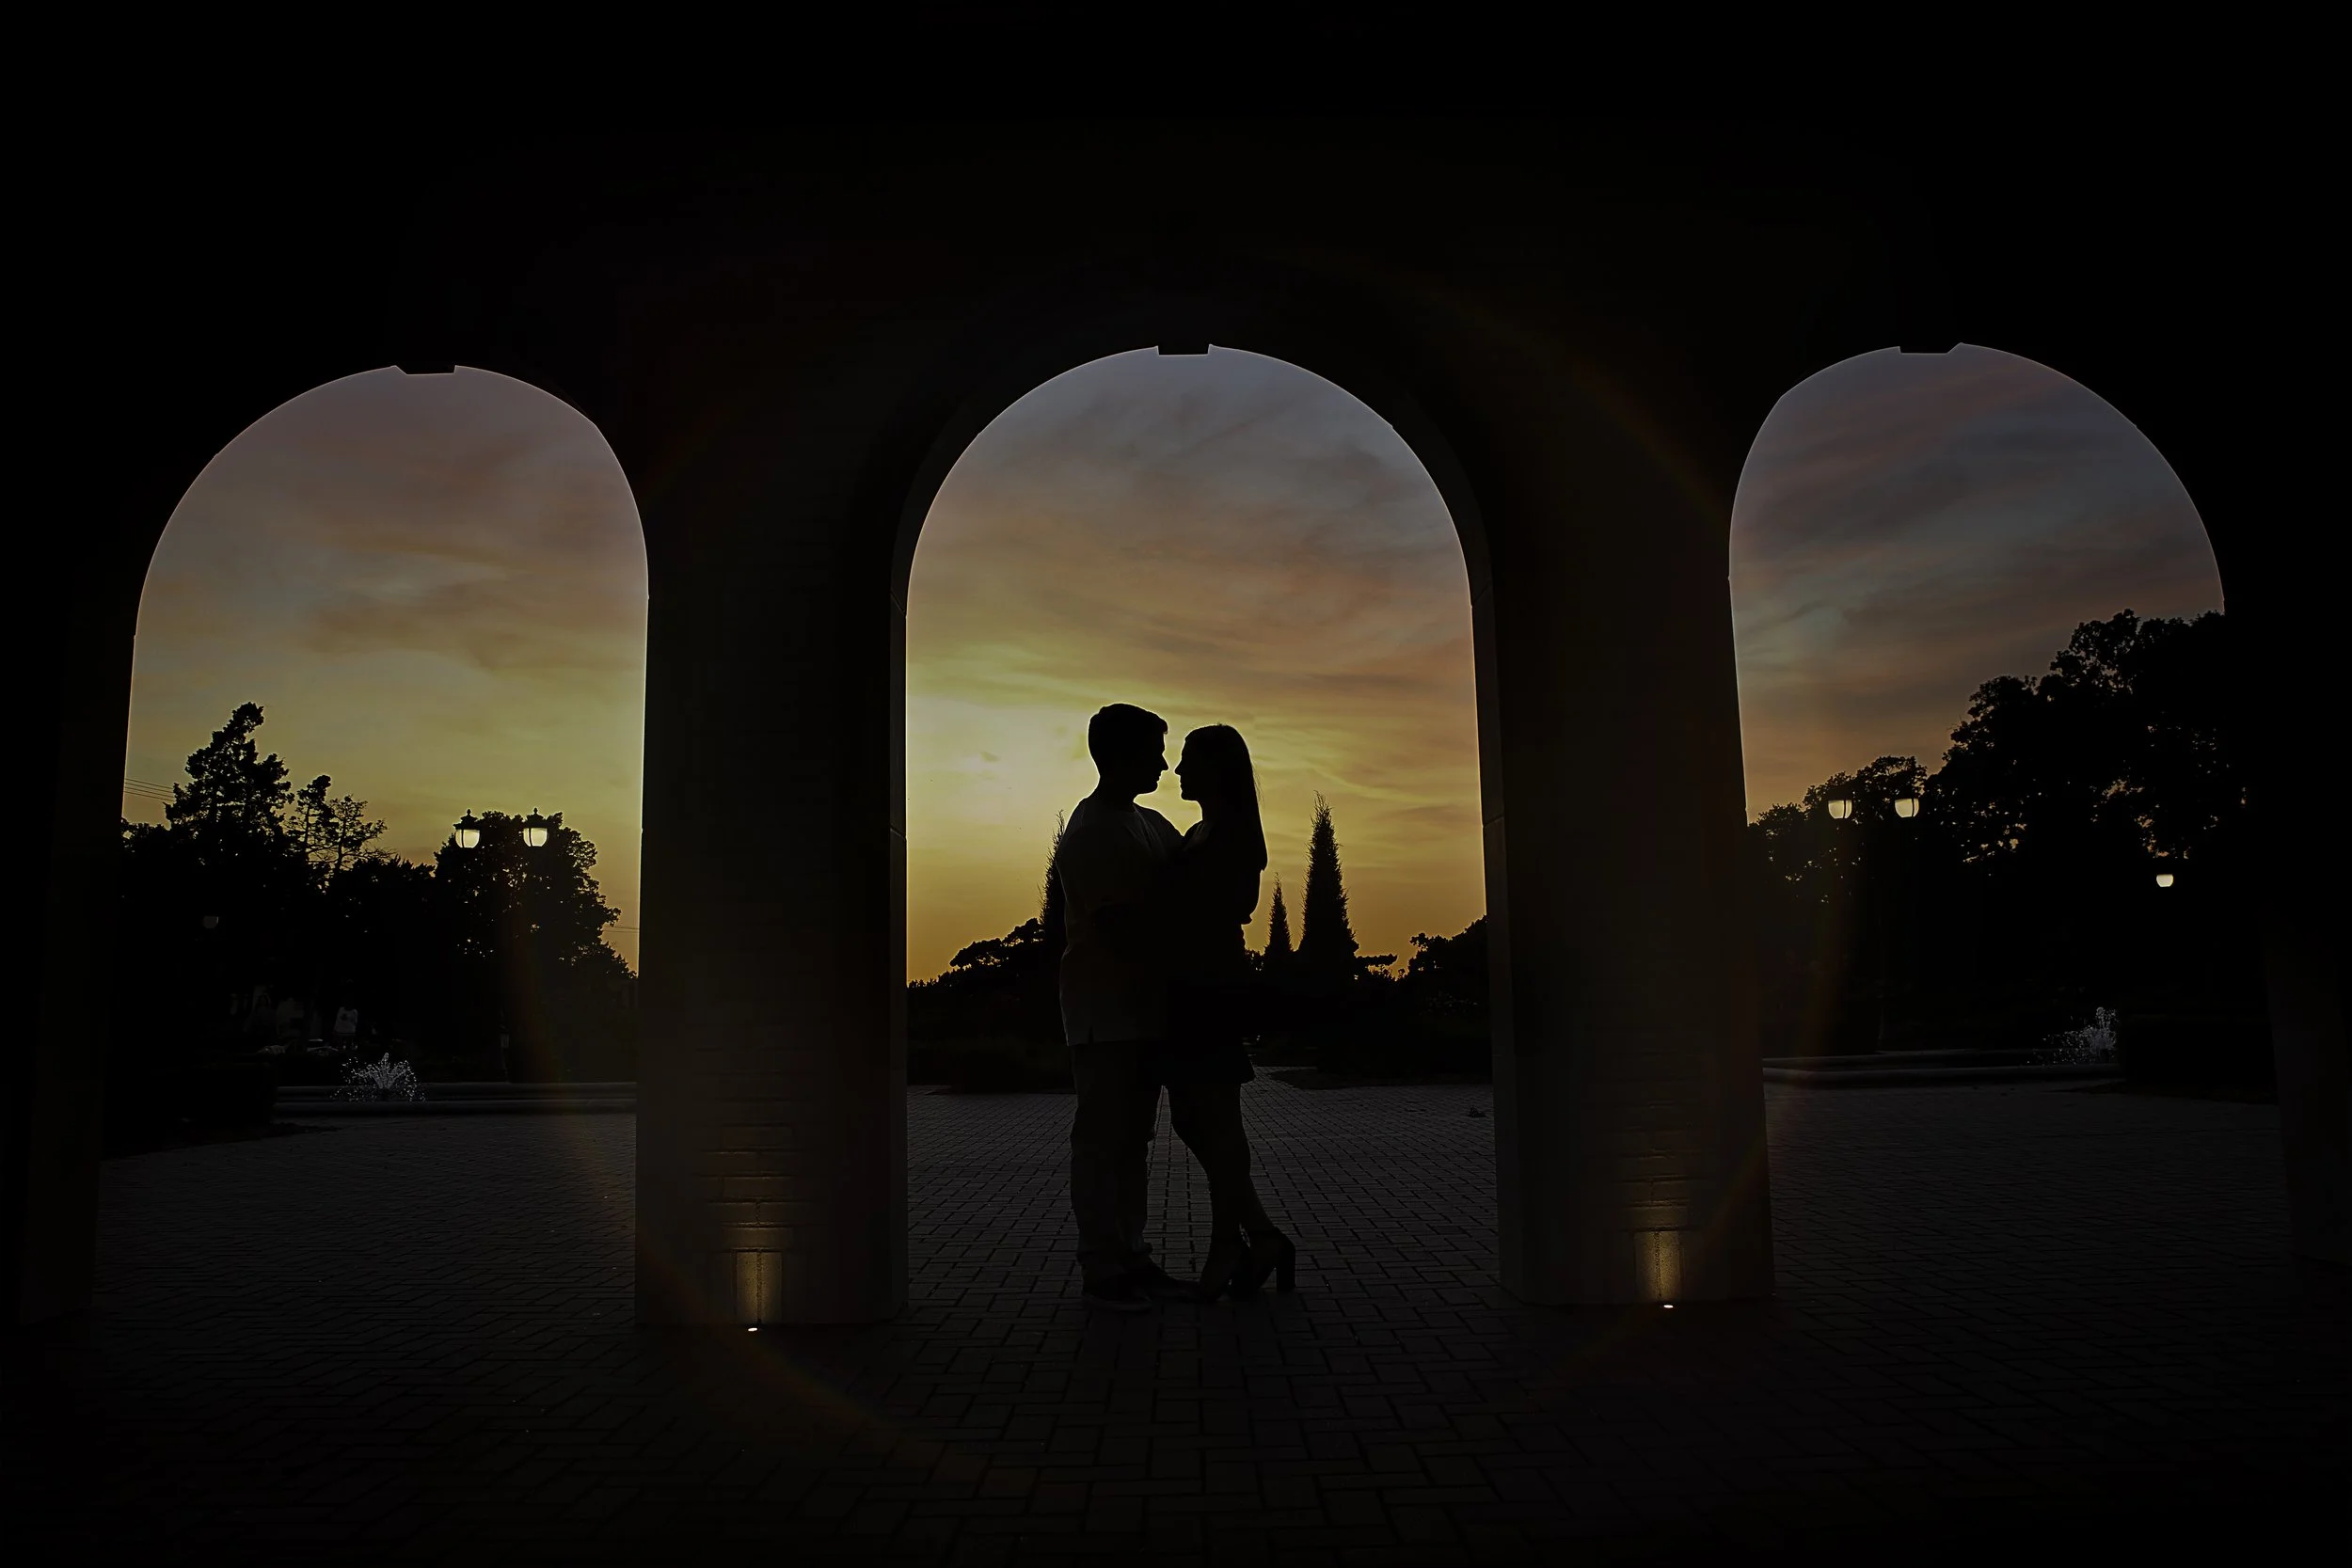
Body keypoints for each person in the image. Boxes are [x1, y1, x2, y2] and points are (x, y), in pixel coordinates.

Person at [1157, 724, 1296, 1301]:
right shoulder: (1201, 832)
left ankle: (1246, 1238)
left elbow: (1221, 907)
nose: (1178, 771)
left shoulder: (1232, 837)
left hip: (1209, 986)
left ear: (1217, 770)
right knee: (1205, 1119)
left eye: (1189, 761)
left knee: (1206, 1117)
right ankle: (1241, 1239)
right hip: (1193, 985)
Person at [1055, 703, 1186, 1311]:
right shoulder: (1092, 833)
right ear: (1120, 755)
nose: (1163, 762)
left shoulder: (1148, 823)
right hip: (1104, 1013)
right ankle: (1103, 1262)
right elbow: (1120, 925)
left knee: (1132, 1139)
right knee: (1105, 1139)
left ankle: (1130, 1252)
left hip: (1139, 1011)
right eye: (1154, 751)